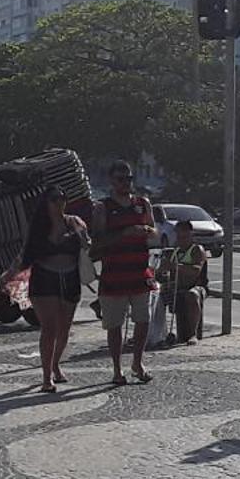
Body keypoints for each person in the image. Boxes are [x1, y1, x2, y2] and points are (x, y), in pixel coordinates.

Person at [89, 160, 157, 385]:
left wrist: (145, 230)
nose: (126, 183)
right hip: (114, 274)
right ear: (112, 181)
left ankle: (138, 362)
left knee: (143, 320)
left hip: (139, 272)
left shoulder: (142, 203)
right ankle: (117, 369)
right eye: (121, 179)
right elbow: (97, 242)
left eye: (129, 178)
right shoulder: (103, 207)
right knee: (114, 325)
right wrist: (124, 233)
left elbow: (154, 231)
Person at [20, 188, 88, 390]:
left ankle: (56, 364)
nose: (59, 203)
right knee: (49, 328)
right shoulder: (39, 226)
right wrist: (9, 274)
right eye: (54, 200)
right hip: (45, 278)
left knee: (64, 328)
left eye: (62, 199)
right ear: (46, 203)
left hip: (69, 277)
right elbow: (27, 252)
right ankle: (46, 377)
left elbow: (87, 246)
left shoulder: (74, 222)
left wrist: (86, 241)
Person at [165, 219, 209, 344]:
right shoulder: (175, 251)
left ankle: (192, 334)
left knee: (192, 295)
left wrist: (176, 266)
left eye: (184, 237)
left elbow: (196, 271)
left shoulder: (197, 250)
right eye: (179, 237)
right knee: (153, 295)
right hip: (176, 287)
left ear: (191, 235)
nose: (181, 240)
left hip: (197, 286)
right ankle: (155, 333)